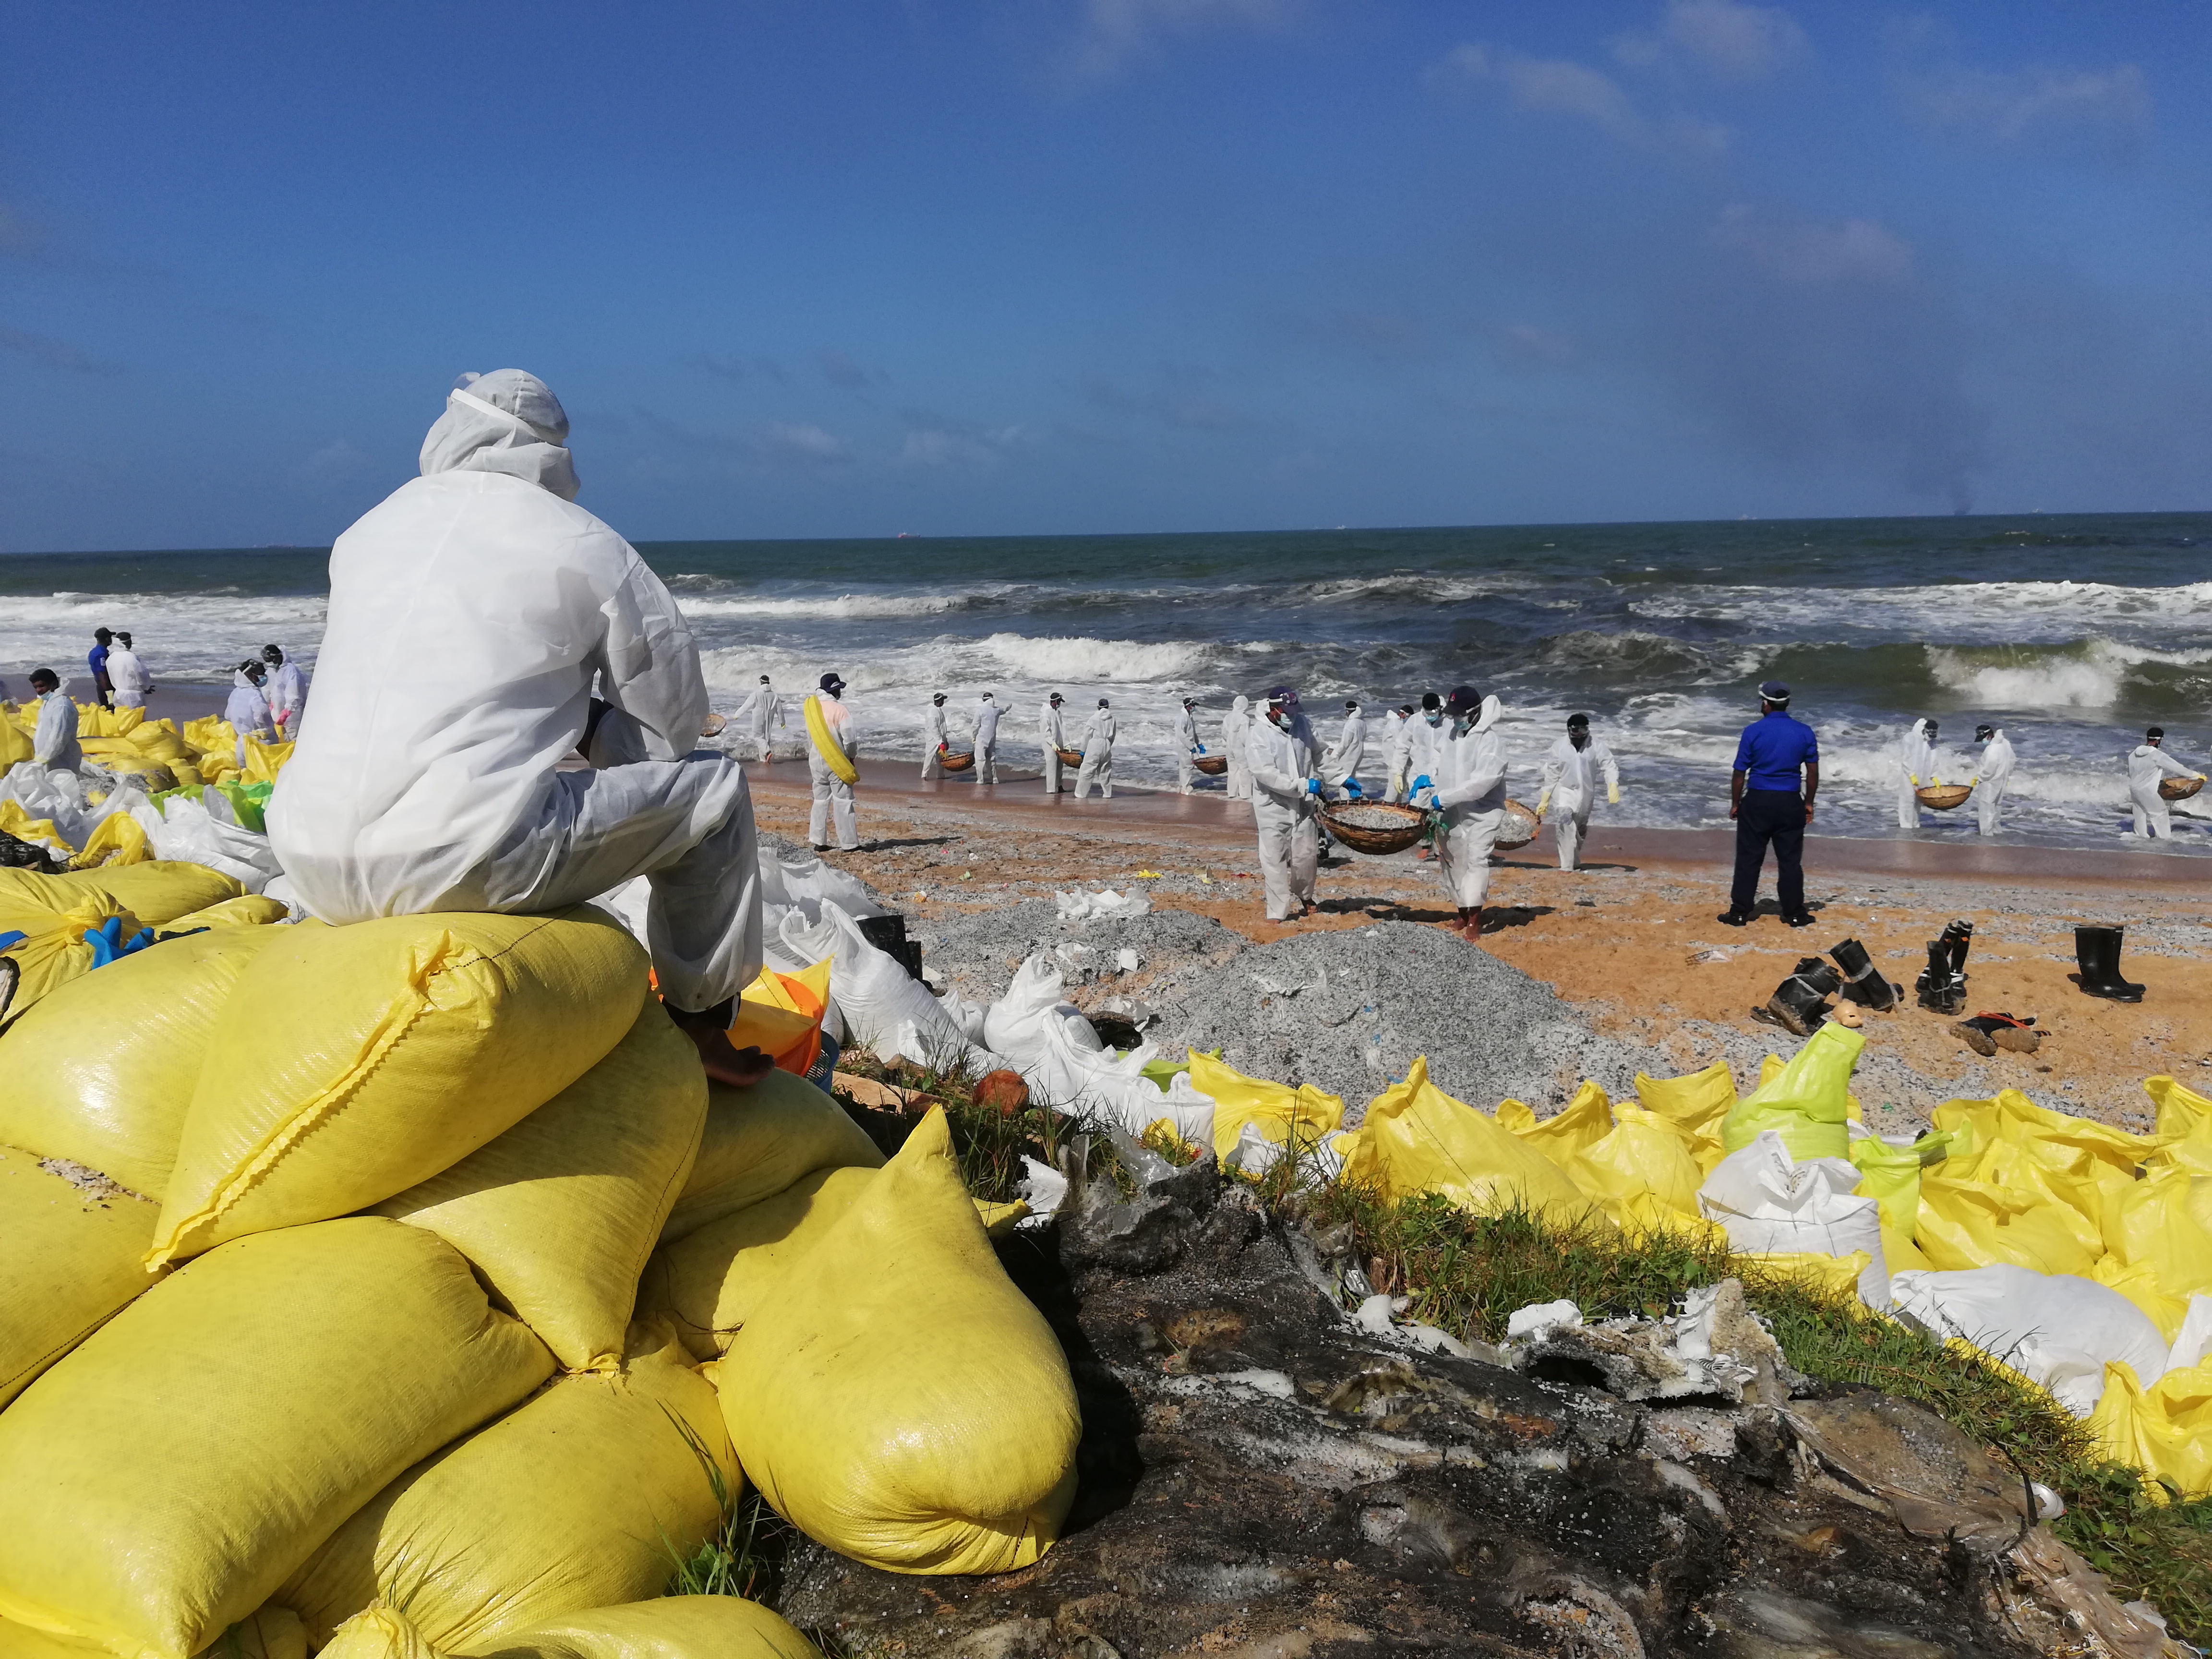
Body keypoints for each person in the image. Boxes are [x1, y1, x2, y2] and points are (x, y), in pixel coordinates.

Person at [264, 369, 770, 1087]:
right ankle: (701, 1026)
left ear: (450, 433)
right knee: (714, 793)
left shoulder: (367, 532)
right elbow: (668, 738)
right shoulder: (588, 544)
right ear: (551, 452)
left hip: (304, 851)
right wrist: (586, 726)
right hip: (461, 855)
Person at [1721, 681, 1817, 928]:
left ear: (1765, 704)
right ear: (1786, 703)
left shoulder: (1753, 731)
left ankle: (1740, 912)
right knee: (1790, 860)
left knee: (1749, 858)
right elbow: (1813, 773)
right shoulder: (1805, 732)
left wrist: (1735, 803)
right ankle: (1794, 912)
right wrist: (1808, 803)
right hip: (1789, 801)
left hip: (1758, 800)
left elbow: (1739, 772)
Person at [1414, 686, 1507, 939]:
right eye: (1453, 716)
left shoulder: (1490, 741)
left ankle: (1474, 921)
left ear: (1475, 712)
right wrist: (1428, 778)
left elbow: (1482, 784)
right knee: (1453, 862)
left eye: (1459, 715)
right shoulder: (1454, 734)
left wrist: (1444, 797)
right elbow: (1439, 758)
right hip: (1452, 813)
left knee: (1477, 861)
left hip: (1482, 814)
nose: (1456, 720)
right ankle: (1462, 912)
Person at [1246, 686, 1324, 923]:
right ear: (1274, 710)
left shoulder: (1303, 724)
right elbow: (1265, 773)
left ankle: (1305, 895)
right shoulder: (1259, 734)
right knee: (1274, 859)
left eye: (1294, 711)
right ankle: (1277, 911)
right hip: (1273, 806)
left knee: (1307, 855)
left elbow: (1322, 754)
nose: (1291, 716)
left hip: (1303, 806)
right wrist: (1302, 785)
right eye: (1286, 711)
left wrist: (1342, 779)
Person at [1537, 713, 1620, 872]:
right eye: (1576, 730)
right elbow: (1552, 774)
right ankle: (1566, 867)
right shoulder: (1559, 746)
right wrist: (1545, 799)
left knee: (1580, 828)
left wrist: (1612, 784)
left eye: (1584, 730)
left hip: (1586, 793)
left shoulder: (1596, 746)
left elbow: (1609, 765)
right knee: (1564, 822)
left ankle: (1574, 860)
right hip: (1563, 791)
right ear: (1569, 730)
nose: (1580, 734)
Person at [806, 672, 860, 851]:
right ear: (834, 690)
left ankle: (818, 841)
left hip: (816, 760)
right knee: (843, 802)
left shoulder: (812, 710)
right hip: (836, 762)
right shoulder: (840, 710)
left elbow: (809, 738)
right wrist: (851, 756)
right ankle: (849, 844)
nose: (841, 693)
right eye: (839, 690)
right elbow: (850, 740)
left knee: (820, 801)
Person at [2127, 726, 2204, 840]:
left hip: (2134, 789)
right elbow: (2177, 768)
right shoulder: (2156, 755)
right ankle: (2164, 840)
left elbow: (2132, 773)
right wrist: (2196, 776)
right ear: (2159, 740)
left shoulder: (2133, 754)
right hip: (2148, 791)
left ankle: (2140, 840)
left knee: (2140, 815)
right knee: (2160, 813)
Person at [25, 668, 81, 774]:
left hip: (62, 763)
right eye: (35, 687)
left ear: (54, 684)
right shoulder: (48, 703)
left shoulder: (62, 706)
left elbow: (59, 737)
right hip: (48, 762)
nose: (38, 690)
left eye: (41, 686)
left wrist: (43, 759)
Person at [226, 659, 278, 765]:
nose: (264, 677)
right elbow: (262, 716)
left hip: (241, 744)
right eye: (261, 674)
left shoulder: (235, 693)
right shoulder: (255, 695)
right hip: (259, 744)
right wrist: (266, 730)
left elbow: (228, 716)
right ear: (252, 676)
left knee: (247, 775)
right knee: (265, 776)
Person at [1894, 718, 1939, 830]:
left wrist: (1934, 775)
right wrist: (1912, 775)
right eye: (1930, 733)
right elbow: (1906, 758)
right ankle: (1905, 826)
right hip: (1909, 776)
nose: (1931, 736)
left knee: (1918, 802)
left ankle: (1915, 824)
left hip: (1923, 775)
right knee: (1908, 800)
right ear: (1925, 729)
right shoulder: (1910, 738)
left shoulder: (1931, 741)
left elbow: (1933, 759)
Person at [1972, 724, 2015, 836]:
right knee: (1997, 806)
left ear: (1989, 736)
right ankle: (1996, 830)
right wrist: (2008, 774)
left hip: (1989, 782)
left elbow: (1989, 767)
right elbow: (2012, 759)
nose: (1983, 742)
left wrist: (1979, 777)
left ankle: (1987, 834)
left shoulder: (1992, 749)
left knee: (1986, 807)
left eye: (1983, 739)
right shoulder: (2005, 743)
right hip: (2002, 779)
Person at [260, 643, 307, 737]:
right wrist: (270, 704)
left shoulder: (291, 670)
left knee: (293, 740)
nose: (269, 663)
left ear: (278, 657)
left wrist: (287, 712)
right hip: (278, 714)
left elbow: (294, 694)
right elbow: (270, 689)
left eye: (270, 661)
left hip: (292, 715)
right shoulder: (272, 671)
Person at [1076, 697, 1116, 799]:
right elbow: (1113, 735)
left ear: (1098, 707)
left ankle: (1081, 794)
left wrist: (1083, 750)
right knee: (1105, 770)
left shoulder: (1094, 718)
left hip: (1095, 744)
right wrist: (1108, 745)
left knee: (1087, 770)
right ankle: (1107, 794)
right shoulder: (1112, 719)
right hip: (1106, 744)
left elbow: (1087, 735)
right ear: (1108, 707)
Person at [1325, 699, 1367, 795]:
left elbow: (1345, 744)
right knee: (1352, 777)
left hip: (1350, 755)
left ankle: (1345, 802)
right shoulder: (1363, 722)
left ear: (1348, 711)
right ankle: (1355, 799)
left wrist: (1335, 754)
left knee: (1344, 779)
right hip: (1359, 753)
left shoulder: (1350, 724)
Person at [739, 675, 782, 762]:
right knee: (766, 737)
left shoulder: (756, 694)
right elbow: (780, 710)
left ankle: (767, 752)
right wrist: (782, 722)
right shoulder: (775, 695)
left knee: (758, 737)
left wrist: (737, 715)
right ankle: (764, 760)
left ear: (761, 682)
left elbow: (746, 706)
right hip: (770, 715)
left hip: (758, 716)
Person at [107, 631, 153, 710]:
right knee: (135, 720)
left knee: (121, 719)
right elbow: (141, 674)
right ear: (129, 643)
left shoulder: (111, 658)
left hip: (118, 694)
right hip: (134, 697)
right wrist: (146, 687)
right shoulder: (132, 658)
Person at [1223, 695, 1253, 801]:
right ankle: (1245, 794)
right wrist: (1250, 747)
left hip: (1229, 746)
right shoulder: (1244, 718)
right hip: (1240, 747)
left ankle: (1232, 793)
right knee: (1244, 770)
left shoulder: (1228, 717)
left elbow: (1224, 733)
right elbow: (1245, 736)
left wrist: (1229, 742)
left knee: (1232, 770)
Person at [1380, 705, 1413, 800]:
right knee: (1394, 785)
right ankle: (1388, 806)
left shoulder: (1398, 723)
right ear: (1402, 714)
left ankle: (1397, 805)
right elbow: (1400, 742)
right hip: (1392, 759)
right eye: (1407, 717)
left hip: (1396, 758)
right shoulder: (1395, 724)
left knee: (1400, 784)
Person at [1173, 696, 1202, 794]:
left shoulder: (1189, 716)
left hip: (1188, 745)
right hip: (1184, 746)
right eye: (1193, 706)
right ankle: (1185, 787)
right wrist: (1191, 747)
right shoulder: (1183, 718)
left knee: (1187, 766)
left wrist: (1199, 744)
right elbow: (1182, 735)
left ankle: (1185, 785)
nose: (1195, 708)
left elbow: (1193, 732)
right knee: (1187, 766)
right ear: (1189, 706)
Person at [1040, 692, 1069, 794]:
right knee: (1052, 765)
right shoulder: (1046, 713)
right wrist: (1052, 743)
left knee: (1060, 766)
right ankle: (1051, 789)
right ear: (1055, 701)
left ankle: (1060, 785)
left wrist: (1067, 744)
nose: (1060, 704)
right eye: (1059, 701)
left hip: (1059, 742)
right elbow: (1045, 731)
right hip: (1049, 745)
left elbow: (1063, 729)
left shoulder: (1058, 713)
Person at [973, 691, 1002, 784]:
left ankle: (980, 779)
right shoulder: (996, 710)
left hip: (981, 738)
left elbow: (975, 726)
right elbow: (1005, 709)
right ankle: (994, 778)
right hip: (992, 738)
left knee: (980, 759)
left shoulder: (980, 710)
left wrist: (973, 737)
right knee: (992, 758)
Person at [921, 692, 950, 781]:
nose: (943, 702)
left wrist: (945, 740)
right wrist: (940, 741)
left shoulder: (938, 710)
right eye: (943, 700)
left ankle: (941, 775)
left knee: (941, 759)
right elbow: (934, 728)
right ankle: (924, 775)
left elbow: (942, 727)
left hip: (940, 738)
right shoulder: (932, 712)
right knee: (929, 756)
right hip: (933, 739)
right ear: (938, 701)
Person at [87, 628, 115, 710]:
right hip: (105, 688)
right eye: (110, 637)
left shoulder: (94, 652)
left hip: (100, 686)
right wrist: (110, 696)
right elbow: (102, 674)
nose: (111, 639)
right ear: (106, 639)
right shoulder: (102, 654)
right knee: (110, 712)